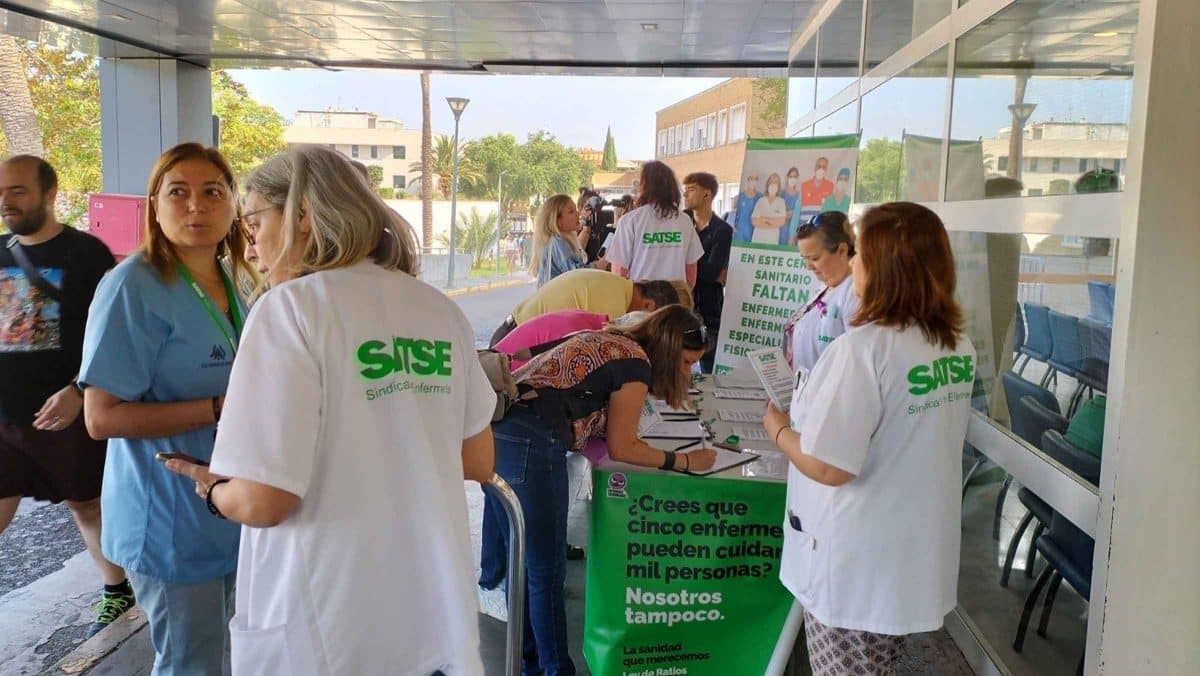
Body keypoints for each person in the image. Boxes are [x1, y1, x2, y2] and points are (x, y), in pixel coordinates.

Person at [164, 145, 496, 675]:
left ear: (301, 215)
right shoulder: (437, 309)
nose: (250, 248)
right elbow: (477, 462)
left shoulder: (289, 310)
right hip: (425, 613)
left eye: (254, 224)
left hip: (325, 626)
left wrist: (213, 489)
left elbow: (264, 500)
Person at [762, 202, 976, 676]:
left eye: (860, 254)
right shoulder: (955, 344)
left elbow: (829, 465)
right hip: (907, 555)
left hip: (855, 566)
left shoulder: (862, 351)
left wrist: (778, 429)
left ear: (883, 268)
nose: (853, 262)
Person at [79, 143, 255, 674]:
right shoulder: (133, 285)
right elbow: (100, 417)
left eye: (212, 192)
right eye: (178, 192)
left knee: (214, 653)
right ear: (155, 205)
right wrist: (220, 407)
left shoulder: (233, 281)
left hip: (226, 505)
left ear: (233, 206)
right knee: (188, 663)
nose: (196, 207)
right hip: (168, 515)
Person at [481, 305, 718, 675]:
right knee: (544, 571)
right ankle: (556, 669)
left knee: (521, 561)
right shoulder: (635, 365)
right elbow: (625, 447)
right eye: (686, 363)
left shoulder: (614, 338)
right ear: (670, 350)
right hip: (531, 441)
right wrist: (685, 462)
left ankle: (530, 665)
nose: (687, 373)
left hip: (498, 431)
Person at [0, 155, 132, 637]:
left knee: (86, 505)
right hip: (5, 413)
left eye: (17, 191)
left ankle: (117, 589)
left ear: (49, 193)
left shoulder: (86, 254)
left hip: (66, 412)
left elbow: (113, 332)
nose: (6, 201)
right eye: (2, 191)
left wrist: (80, 390)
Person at [489, 268, 686, 346]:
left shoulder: (616, 286)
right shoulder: (613, 306)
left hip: (516, 338)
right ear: (648, 305)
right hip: (511, 349)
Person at [781, 211, 860, 374]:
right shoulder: (825, 287)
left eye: (815, 258)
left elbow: (855, 363)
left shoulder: (855, 293)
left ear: (842, 250)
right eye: (805, 258)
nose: (808, 266)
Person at [605, 160, 703, 287]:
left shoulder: (630, 220)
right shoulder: (685, 220)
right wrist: (685, 295)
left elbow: (619, 272)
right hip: (676, 299)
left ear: (644, 185)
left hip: (641, 298)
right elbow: (691, 270)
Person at [682, 172, 733, 373]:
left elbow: (712, 272)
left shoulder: (722, 230)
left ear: (707, 194)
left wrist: (686, 260)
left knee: (708, 366)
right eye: (684, 191)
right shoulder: (681, 223)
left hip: (709, 308)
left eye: (691, 190)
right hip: (683, 305)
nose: (686, 195)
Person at [529, 194, 591, 286]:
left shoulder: (558, 240)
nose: (578, 214)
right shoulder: (557, 242)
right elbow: (576, 273)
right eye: (571, 211)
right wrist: (601, 263)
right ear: (558, 220)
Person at [750, 172, 788, 244]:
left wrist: (763, 219)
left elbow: (781, 222)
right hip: (758, 238)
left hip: (772, 239)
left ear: (778, 186)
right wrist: (773, 222)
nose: (773, 184)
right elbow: (754, 221)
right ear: (768, 184)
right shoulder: (761, 200)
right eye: (771, 182)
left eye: (776, 182)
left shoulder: (781, 202)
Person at [733, 171, 761, 242]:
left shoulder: (760, 197)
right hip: (740, 231)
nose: (753, 181)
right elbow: (733, 215)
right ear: (748, 180)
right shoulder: (740, 197)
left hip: (754, 231)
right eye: (751, 179)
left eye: (755, 179)